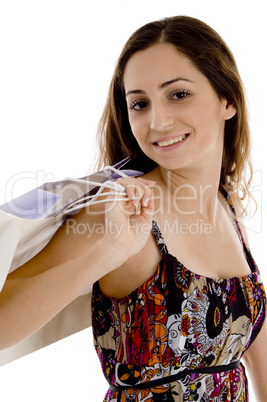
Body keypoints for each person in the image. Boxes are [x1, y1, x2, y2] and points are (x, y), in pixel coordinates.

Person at [0, 15, 266, 401]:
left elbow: (249, 336)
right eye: (139, 103)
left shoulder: (227, 205)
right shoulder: (120, 209)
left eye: (178, 94)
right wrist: (109, 249)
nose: (157, 121)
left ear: (228, 100)